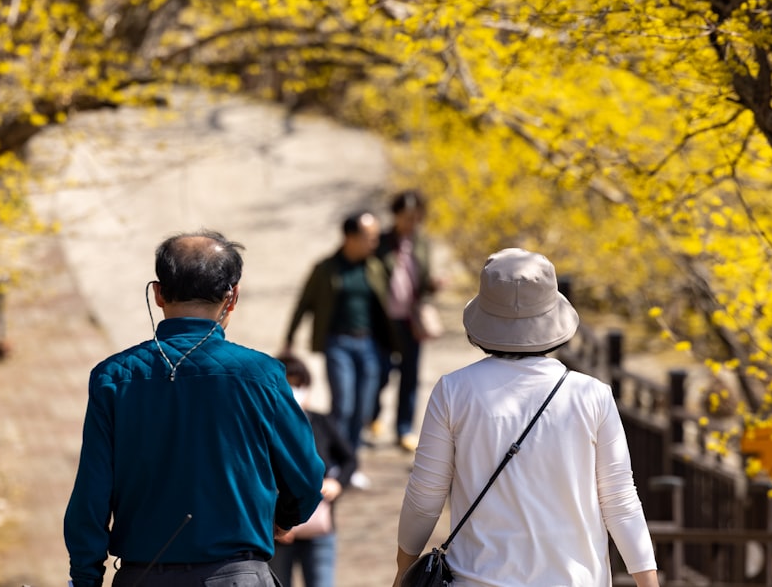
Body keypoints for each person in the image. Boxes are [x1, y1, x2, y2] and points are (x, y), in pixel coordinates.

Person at [64, 230, 325, 587]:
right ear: (231, 297)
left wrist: (85, 577)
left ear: (157, 294)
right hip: (237, 576)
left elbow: (90, 499)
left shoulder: (112, 378)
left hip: (143, 577)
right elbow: (307, 476)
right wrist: (282, 518)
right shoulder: (261, 375)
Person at [393, 248, 660, 587]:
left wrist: (404, 570)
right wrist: (648, 582)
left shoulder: (453, 391)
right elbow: (620, 501)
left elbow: (425, 495)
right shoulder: (590, 395)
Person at [282, 211, 396, 459]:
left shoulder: (376, 268)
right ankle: (334, 460)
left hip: (369, 345)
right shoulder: (326, 269)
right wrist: (289, 338)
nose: (374, 243)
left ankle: (350, 462)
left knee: (363, 407)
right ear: (350, 237)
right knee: (343, 405)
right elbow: (304, 303)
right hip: (338, 343)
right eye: (369, 237)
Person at [271, 354, 356, 587]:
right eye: (288, 384)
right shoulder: (263, 426)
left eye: (299, 384)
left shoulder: (320, 422)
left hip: (319, 526)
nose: (295, 391)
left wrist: (337, 483)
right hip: (276, 531)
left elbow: (349, 459)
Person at [374, 189, 439, 452]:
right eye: (407, 216)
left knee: (410, 375)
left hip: (410, 319)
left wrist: (433, 285)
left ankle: (404, 429)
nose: (411, 222)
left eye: (416, 217)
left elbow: (423, 279)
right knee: (379, 373)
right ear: (397, 215)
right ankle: (372, 414)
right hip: (383, 319)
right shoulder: (381, 242)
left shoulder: (422, 242)